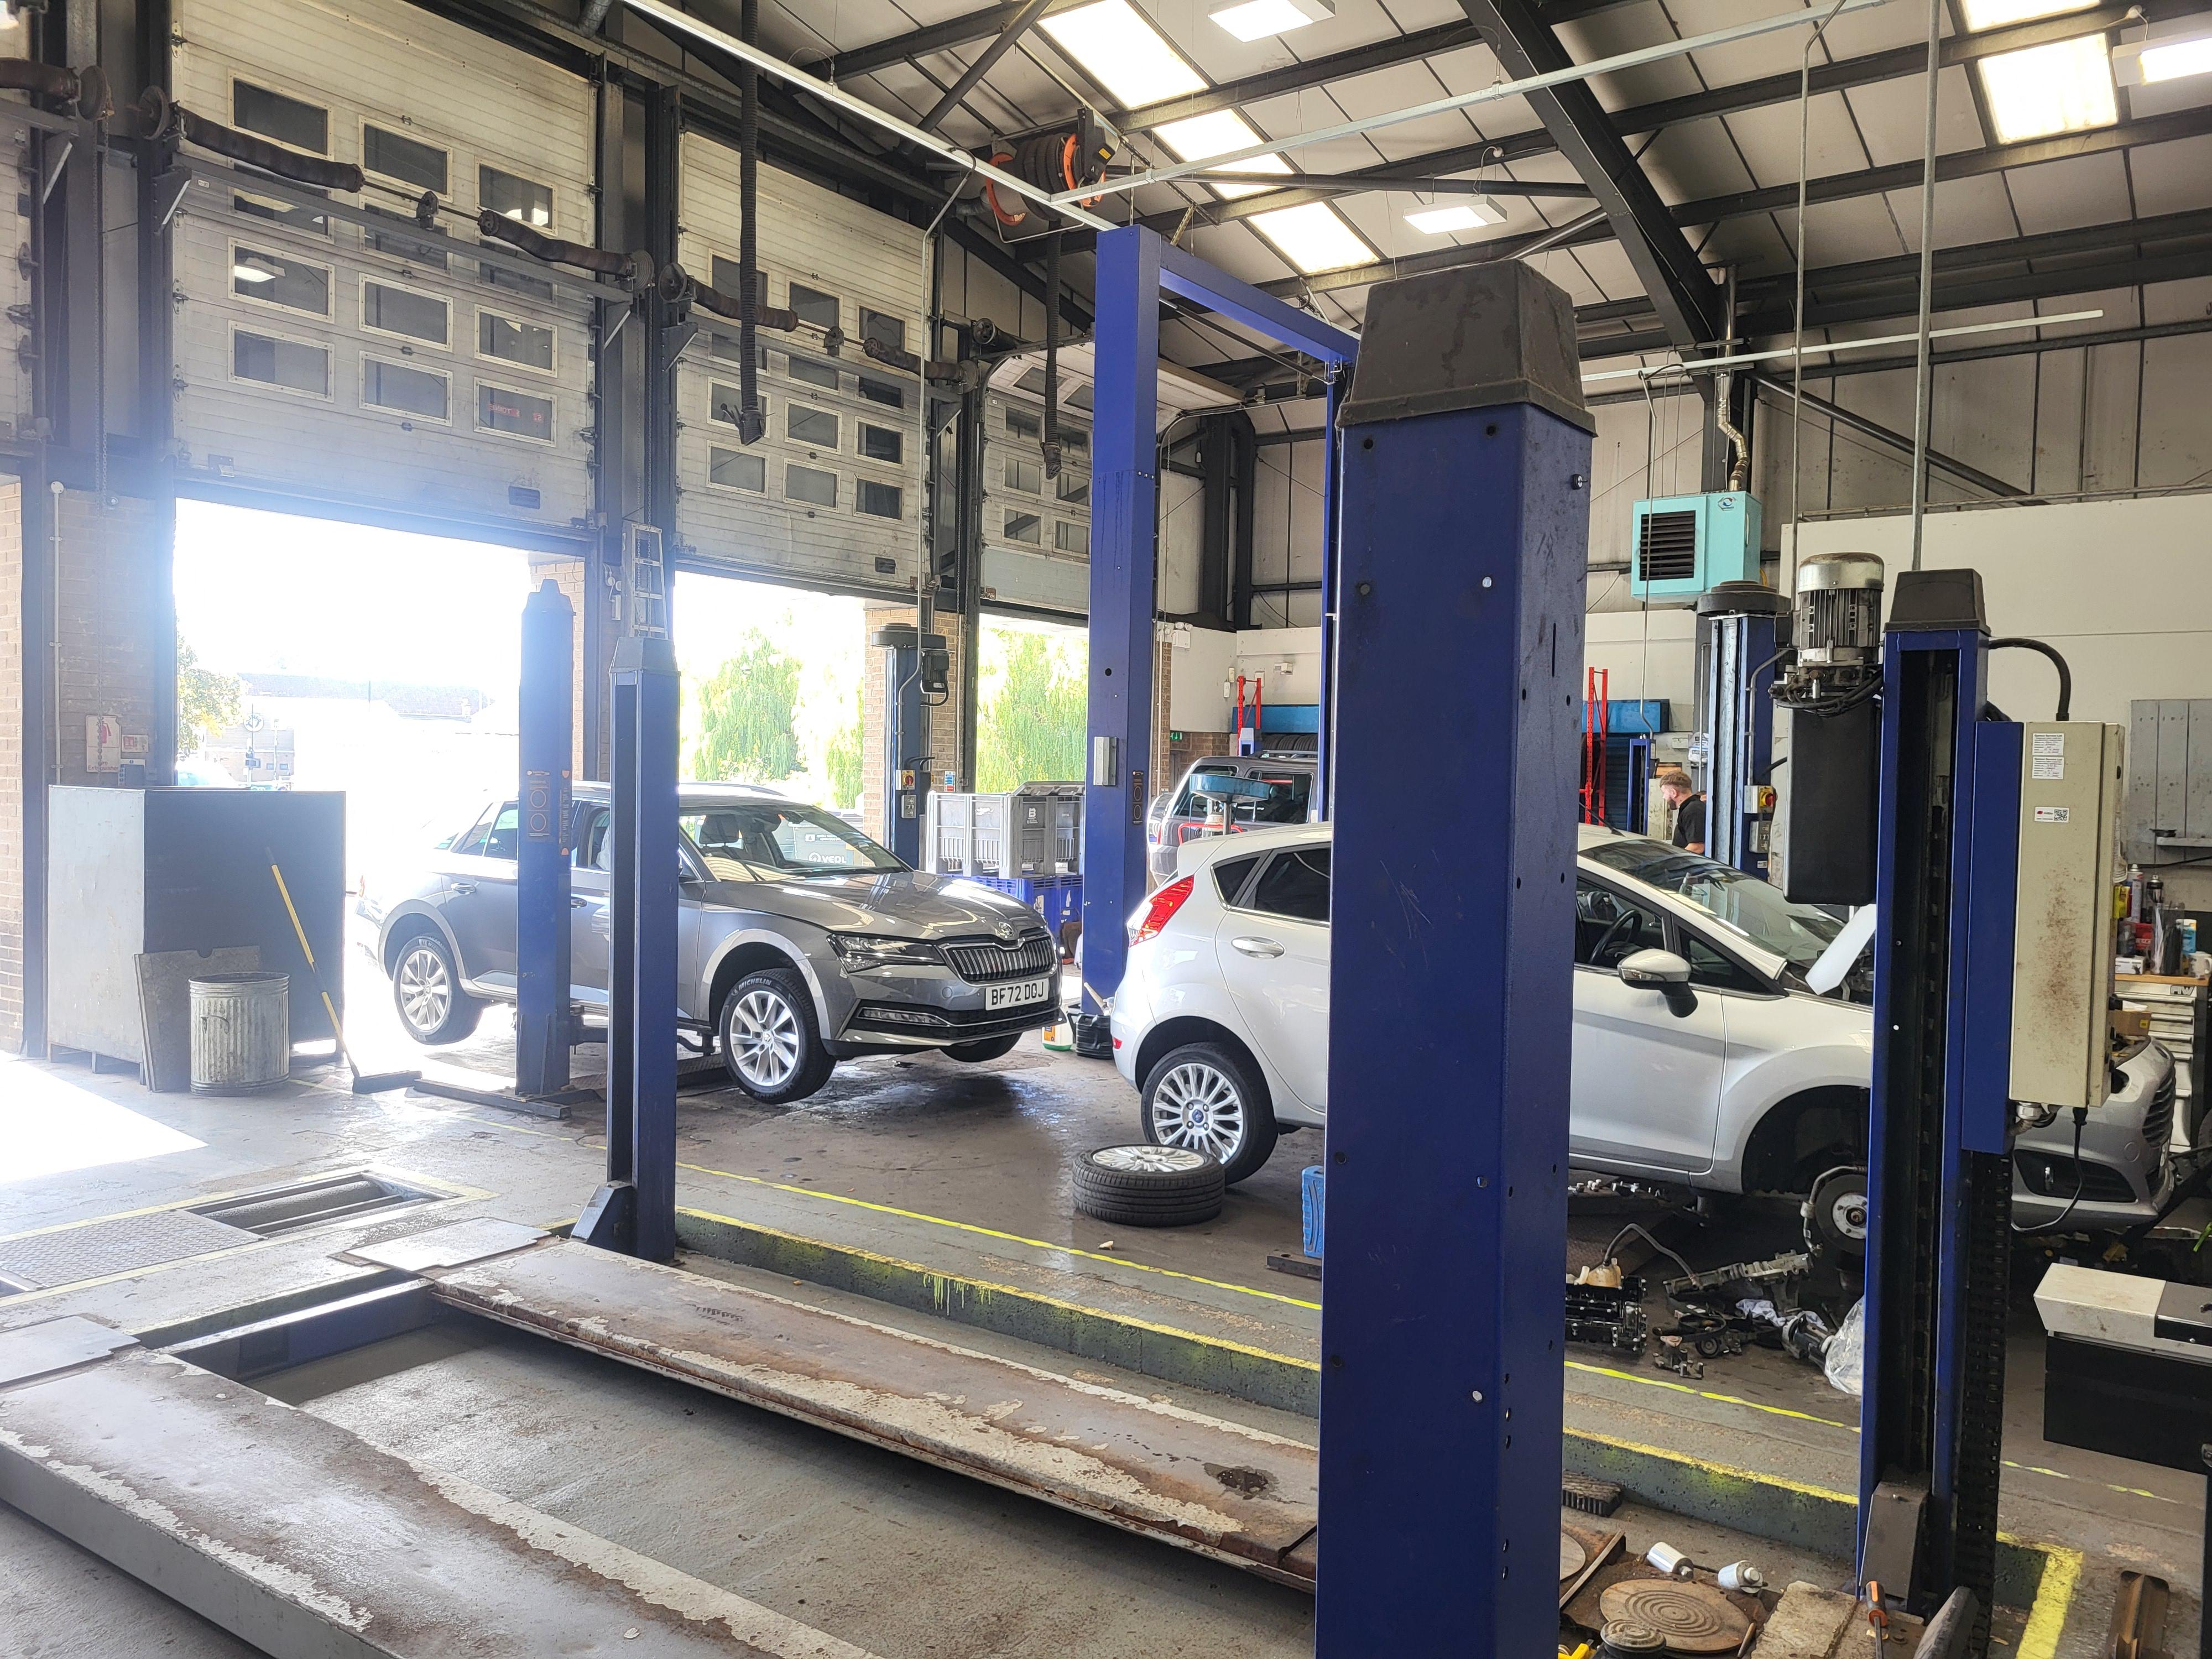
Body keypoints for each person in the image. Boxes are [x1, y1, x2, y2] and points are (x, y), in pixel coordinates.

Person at [1656, 767, 1707, 855]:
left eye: (1664, 793)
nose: (1664, 797)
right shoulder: (1689, 809)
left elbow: (1697, 847)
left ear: (1674, 793)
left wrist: (1673, 859)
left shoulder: (1693, 810)